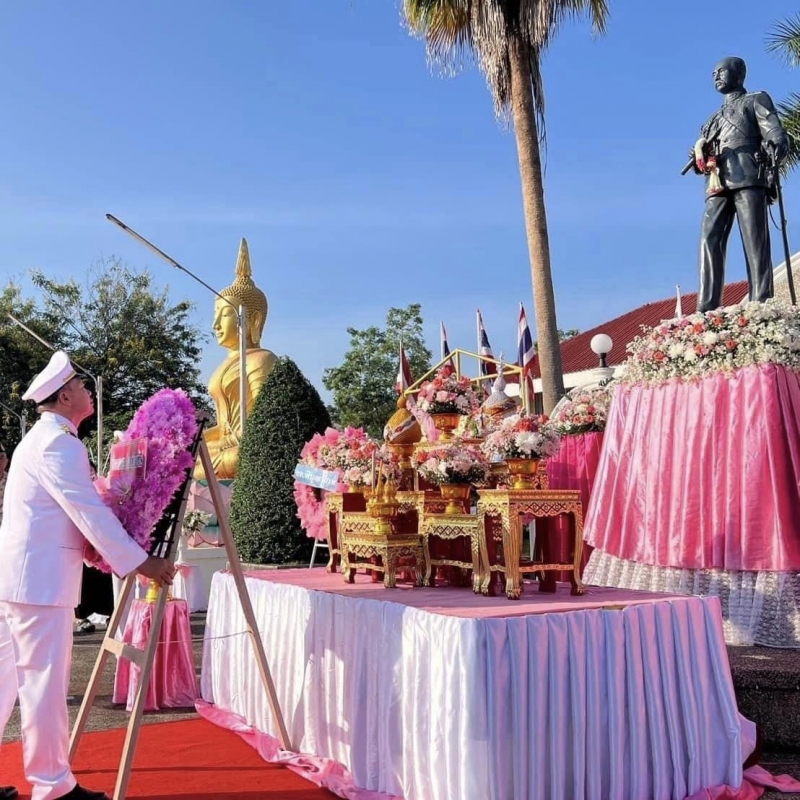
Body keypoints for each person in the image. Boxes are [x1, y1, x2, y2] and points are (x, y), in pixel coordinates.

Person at [0, 351, 176, 800]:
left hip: (22, 580)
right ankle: (52, 787)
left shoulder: (40, 440)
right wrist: (141, 561)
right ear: (64, 397)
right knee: (43, 686)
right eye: (80, 386)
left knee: (5, 683)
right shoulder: (60, 444)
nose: (87, 391)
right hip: (39, 586)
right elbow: (88, 512)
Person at [689, 57, 789, 312]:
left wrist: (778, 143)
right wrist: (699, 157)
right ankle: (707, 307)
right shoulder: (711, 119)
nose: (716, 76)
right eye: (713, 73)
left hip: (748, 173)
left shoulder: (755, 100)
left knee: (754, 240)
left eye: (721, 71)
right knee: (709, 238)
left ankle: (761, 302)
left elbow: (773, 129)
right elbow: (703, 154)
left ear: (739, 74)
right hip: (717, 181)